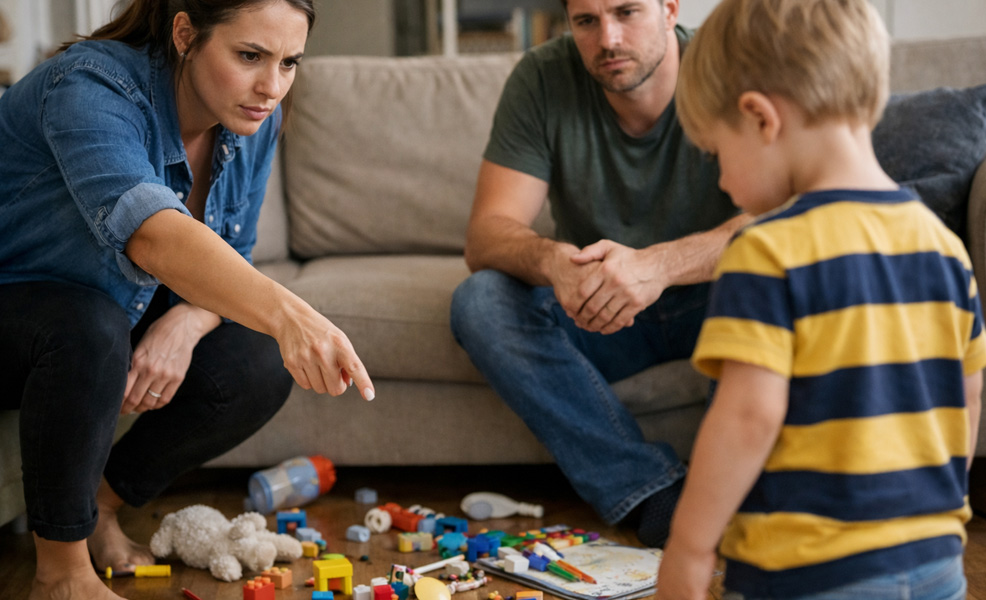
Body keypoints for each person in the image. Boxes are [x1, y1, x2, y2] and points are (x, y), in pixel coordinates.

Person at [0, 1, 376, 599]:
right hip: (18, 304)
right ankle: (61, 575)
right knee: (89, 327)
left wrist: (188, 323)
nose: (272, 86)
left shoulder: (253, 119)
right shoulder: (90, 85)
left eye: (289, 63)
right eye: (250, 56)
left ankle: (97, 505)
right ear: (184, 33)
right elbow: (149, 232)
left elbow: (234, 254)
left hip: (104, 305)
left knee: (256, 359)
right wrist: (293, 315)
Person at [656, 0, 986, 598]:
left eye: (716, 154)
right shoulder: (944, 248)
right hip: (937, 563)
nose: (722, 180)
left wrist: (690, 546)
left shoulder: (766, 250)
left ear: (760, 118)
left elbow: (748, 417)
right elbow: (965, 395)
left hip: (809, 573)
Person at [449, 0, 749, 547]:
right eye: (586, 20)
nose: (607, 38)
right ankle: (654, 493)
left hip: (715, 297)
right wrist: (554, 262)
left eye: (626, 12)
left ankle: (726, 493)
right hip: (599, 304)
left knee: (769, 281)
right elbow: (487, 233)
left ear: (669, 9)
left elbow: (791, 219)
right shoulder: (542, 77)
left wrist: (658, 265)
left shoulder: (733, 63)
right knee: (481, 301)